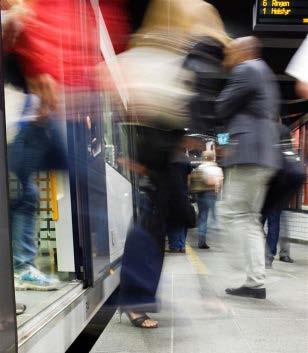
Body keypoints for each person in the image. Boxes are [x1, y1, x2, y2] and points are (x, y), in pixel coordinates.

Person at [117, 0, 229, 328]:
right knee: (151, 226)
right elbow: (149, 101)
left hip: (163, 151)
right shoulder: (155, 56)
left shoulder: (168, 55)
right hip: (153, 149)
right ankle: (136, 300)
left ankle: (140, 297)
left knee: (161, 222)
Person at [216, 36, 281, 299]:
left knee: (230, 213)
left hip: (248, 154)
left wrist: (223, 141)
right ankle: (255, 281)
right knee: (249, 218)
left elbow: (221, 107)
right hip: (262, 156)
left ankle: (239, 264)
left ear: (242, 51)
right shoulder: (264, 72)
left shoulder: (246, 69)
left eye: (229, 52)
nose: (226, 59)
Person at [191, 150, 223, 249]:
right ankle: (215, 232)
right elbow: (219, 182)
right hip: (210, 193)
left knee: (202, 216)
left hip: (200, 194)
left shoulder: (200, 167)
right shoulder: (216, 168)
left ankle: (201, 240)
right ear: (213, 157)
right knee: (213, 215)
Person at [166, 138, 194, 253]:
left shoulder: (167, 158)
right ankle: (182, 245)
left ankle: (174, 245)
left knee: (172, 220)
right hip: (182, 193)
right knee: (183, 220)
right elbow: (188, 179)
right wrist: (187, 191)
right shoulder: (186, 159)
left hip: (170, 193)